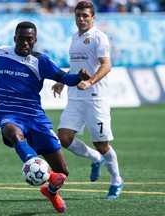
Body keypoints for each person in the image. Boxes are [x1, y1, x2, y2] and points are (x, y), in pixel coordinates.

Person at [0, 21, 90, 213]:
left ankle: (51, 191)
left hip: (35, 117)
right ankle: (47, 174)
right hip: (8, 114)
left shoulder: (41, 61)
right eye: (21, 39)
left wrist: (78, 77)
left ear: (35, 40)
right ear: (14, 39)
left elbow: (63, 78)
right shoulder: (2, 52)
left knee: (63, 172)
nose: (25, 43)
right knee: (15, 135)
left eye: (30, 40)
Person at [52, 1, 123, 199]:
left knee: (102, 144)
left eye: (85, 15)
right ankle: (94, 158)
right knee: (64, 139)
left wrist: (90, 82)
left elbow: (106, 65)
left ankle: (117, 180)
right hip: (75, 97)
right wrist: (64, 81)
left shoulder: (99, 37)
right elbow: (76, 67)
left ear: (93, 17)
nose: (81, 19)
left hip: (95, 98)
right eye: (78, 15)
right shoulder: (75, 37)